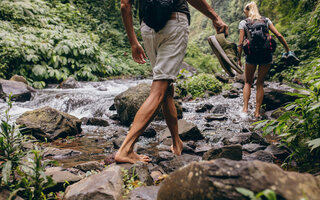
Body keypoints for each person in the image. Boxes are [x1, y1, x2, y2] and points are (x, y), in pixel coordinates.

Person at [115, 0, 228, 164]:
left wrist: (133, 42)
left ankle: (176, 142)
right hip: (174, 21)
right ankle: (126, 149)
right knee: (159, 90)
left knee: (166, 89)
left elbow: (125, 4)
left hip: (147, 27)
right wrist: (215, 17)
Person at [237, 1, 290, 119]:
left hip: (251, 55)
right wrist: (288, 50)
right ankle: (257, 112)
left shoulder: (243, 23)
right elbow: (279, 36)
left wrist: (238, 58)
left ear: (247, 11)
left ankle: (245, 110)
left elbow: (240, 43)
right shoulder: (266, 21)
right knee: (260, 83)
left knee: (247, 82)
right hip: (266, 55)